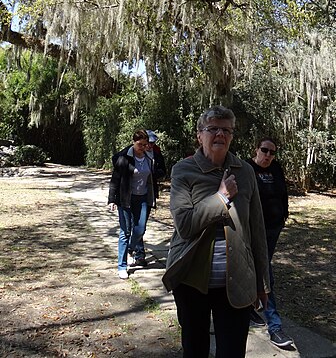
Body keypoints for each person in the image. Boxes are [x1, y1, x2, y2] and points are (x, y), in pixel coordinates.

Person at [162, 106, 270, 358]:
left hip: (237, 282)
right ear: (200, 135)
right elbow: (185, 225)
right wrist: (220, 197)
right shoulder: (183, 170)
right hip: (191, 281)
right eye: (213, 129)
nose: (220, 134)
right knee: (195, 348)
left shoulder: (246, 171)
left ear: (232, 136)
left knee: (232, 352)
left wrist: (262, 282)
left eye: (226, 130)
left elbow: (257, 228)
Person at [248, 137, 293, 348]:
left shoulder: (276, 168)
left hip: (274, 228)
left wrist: (284, 214)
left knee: (259, 270)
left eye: (272, 152)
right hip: (253, 230)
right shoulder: (246, 169)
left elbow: (282, 193)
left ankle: (248, 308)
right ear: (256, 150)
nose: (268, 155)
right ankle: (275, 327)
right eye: (264, 150)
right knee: (266, 275)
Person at [108, 129, 156, 279]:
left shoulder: (149, 158)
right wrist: (112, 199)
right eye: (139, 144)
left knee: (140, 229)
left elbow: (152, 178)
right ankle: (122, 266)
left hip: (142, 199)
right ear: (133, 142)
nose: (142, 147)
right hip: (126, 199)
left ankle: (130, 249)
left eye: (144, 144)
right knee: (125, 232)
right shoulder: (124, 158)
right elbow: (115, 180)